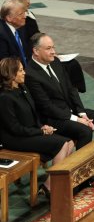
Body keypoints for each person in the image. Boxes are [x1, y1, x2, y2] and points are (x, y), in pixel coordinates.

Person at [25, 32, 94, 152]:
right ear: (36, 51)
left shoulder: (55, 62)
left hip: (70, 111)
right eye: (48, 48)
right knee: (85, 131)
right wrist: (77, 119)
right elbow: (46, 107)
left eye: (53, 47)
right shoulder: (31, 74)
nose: (53, 52)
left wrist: (82, 113)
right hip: (53, 118)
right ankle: (81, 170)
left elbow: (71, 89)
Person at [0, 57, 74, 195]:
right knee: (63, 144)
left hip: (29, 132)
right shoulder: (5, 98)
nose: (24, 73)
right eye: (21, 70)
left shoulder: (23, 88)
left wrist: (42, 127)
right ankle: (51, 187)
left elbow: (34, 114)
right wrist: (40, 132)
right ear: (11, 74)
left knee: (69, 143)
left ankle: (50, 185)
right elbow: (15, 128)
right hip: (14, 139)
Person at [6, 0, 87, 92]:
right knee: (64, 67)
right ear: (13, 1)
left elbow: (37, 36)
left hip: (37, 52)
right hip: (29, 59)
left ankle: (71, 95)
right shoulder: (15, 20)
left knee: (72, 64)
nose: (28, 2)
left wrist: (48, 50)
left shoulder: (29, 16)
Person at [0, 0, 31, 66]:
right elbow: (6, 65)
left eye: (25, 12)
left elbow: (26, 52)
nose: (25, 16)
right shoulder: (1, 35)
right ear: (9, 18)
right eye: (21, 14)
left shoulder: (19, 27)